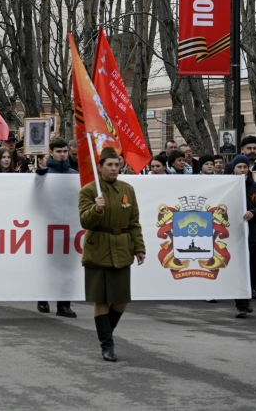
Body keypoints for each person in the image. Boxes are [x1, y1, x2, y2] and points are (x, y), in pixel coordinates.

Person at [78, 147, 146, 361]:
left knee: (120, 300)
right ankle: (107, 344)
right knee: (100, 299)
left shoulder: (128, 189)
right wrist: (96, 210)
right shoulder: (89, 190)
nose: (114, 168)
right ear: (100, 167)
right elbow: (85, 222)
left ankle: (107, 332)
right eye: (110, 165)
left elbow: (134, 222)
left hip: (122, 248)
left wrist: (139, 247)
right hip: (98, 248)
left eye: (117, 164)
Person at [34, 137, 78, 317]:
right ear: (51, 152)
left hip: (69, 226)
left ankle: (64, 304)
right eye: (58, 151)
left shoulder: (74, 175)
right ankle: (43, 297)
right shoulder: (43, 174)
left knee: (67, 265)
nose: (62, 155)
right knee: (47, 264)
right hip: (48, 225)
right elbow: (36, 201)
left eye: (65, 151)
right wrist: (38, 180)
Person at [230, 154, 256, 318]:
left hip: (254, 234)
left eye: (245, 167)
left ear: (248, 169)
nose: (242, 170)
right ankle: (241, 303)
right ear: (233, 169)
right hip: (233, 235)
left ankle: (248, 291)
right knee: (238, 271)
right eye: (239, 167)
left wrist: (253, 212)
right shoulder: (227, 186)